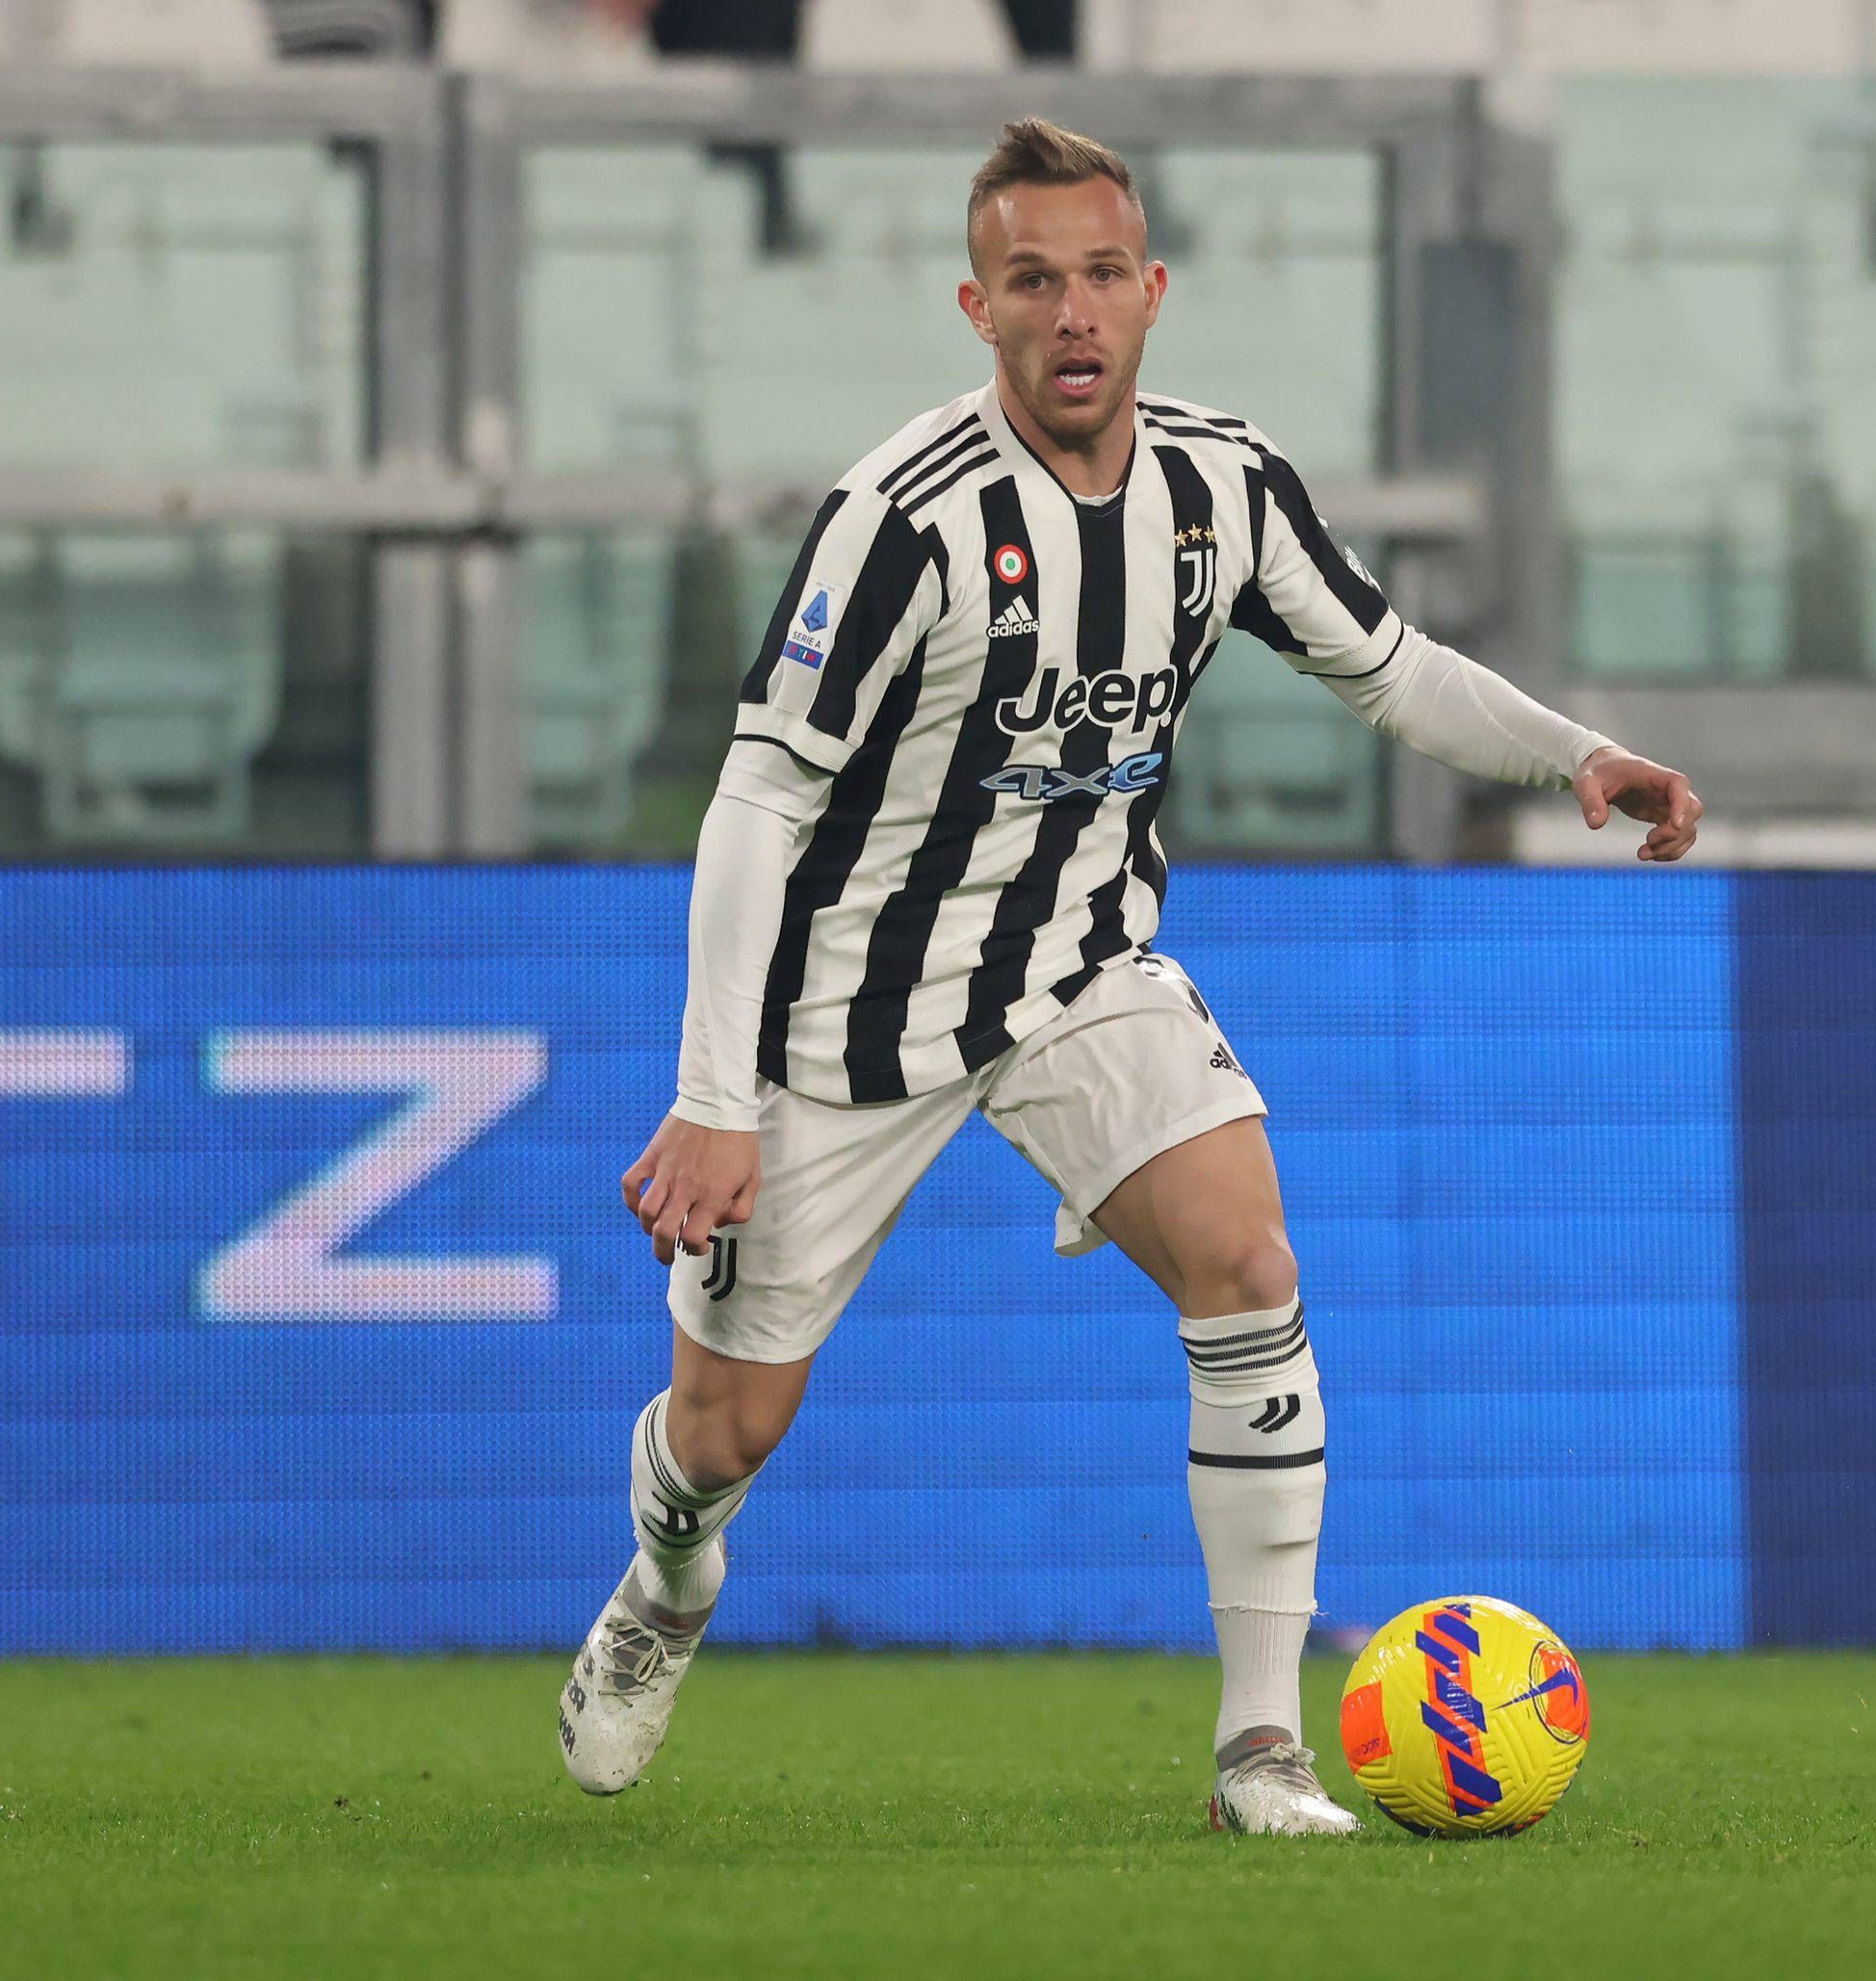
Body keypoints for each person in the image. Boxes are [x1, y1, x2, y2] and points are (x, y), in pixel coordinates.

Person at [560, 117, 1702, 1837]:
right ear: (978, 306)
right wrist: (716, 1100)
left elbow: (1387, 669)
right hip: (839, 1020)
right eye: (1034, 281)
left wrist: (1575, 755)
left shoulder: (1220, 488)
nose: (1073, 311)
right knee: (722, 1434)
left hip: (1079, 965)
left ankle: (1262, 1749)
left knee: (1247, 1257)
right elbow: (756, 797)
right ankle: (667, 1581)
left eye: (1101, 275)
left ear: (1152, 291)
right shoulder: (900, 520)